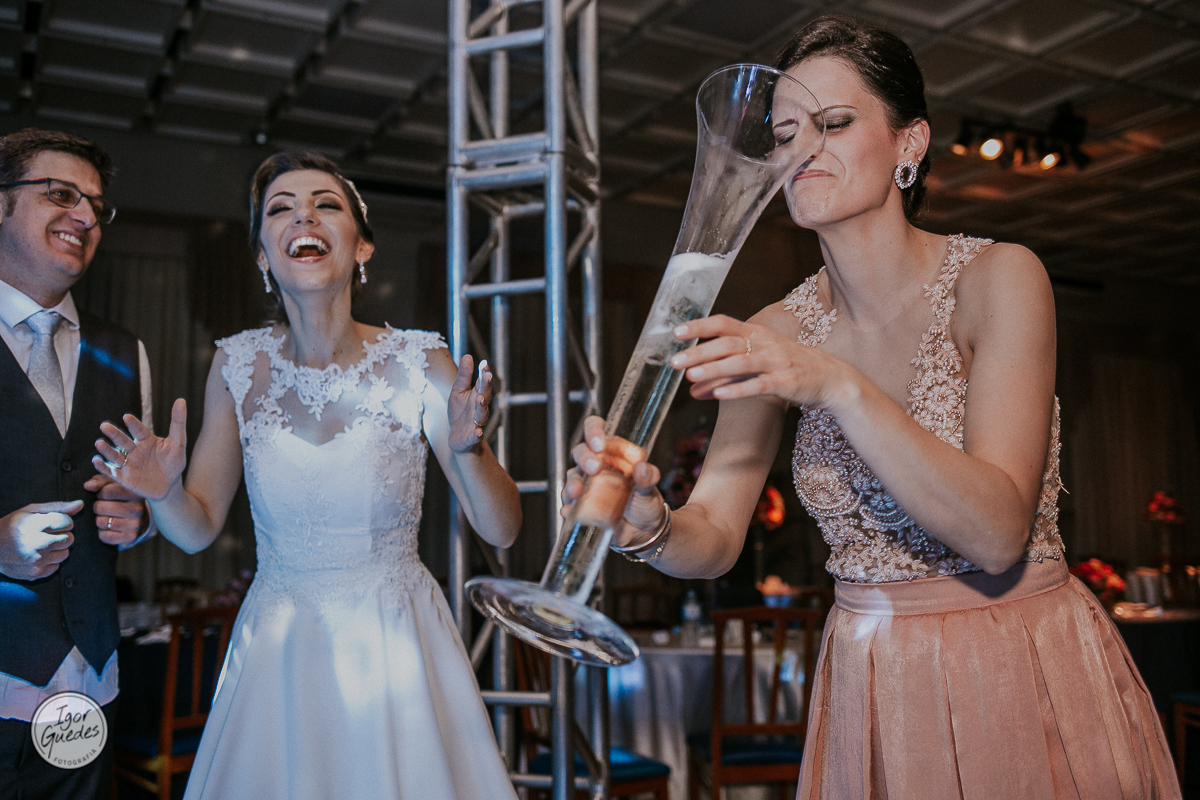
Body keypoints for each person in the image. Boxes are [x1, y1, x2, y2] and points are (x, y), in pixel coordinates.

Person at [564, 16, 1180, 799]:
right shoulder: (773, 334)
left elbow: (997, 533)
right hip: (871, 679)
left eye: (835, 123)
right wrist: (647, 525)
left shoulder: (1000, 279)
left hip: (1019, 660)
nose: (804, 149)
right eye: (787, 132)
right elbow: (714, 539)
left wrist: (836, 385)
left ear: (909, 143)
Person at [95, 151, 523, 800]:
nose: (304, 215)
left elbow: (504, 528)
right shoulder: (235, 364)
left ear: (361, 246)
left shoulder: (420, 359)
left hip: (396, 634)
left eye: (327, 204)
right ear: (264, 257)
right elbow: (197, 530)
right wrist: (165, 494)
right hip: (281, 642)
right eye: (281, 208)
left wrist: (470, 452)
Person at [0, 128, 154, 799]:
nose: (86, 216)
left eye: (96, 205)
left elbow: (138, 496)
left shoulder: (127, 351)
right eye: (60, 194)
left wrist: (140, 517)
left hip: (84, 684)